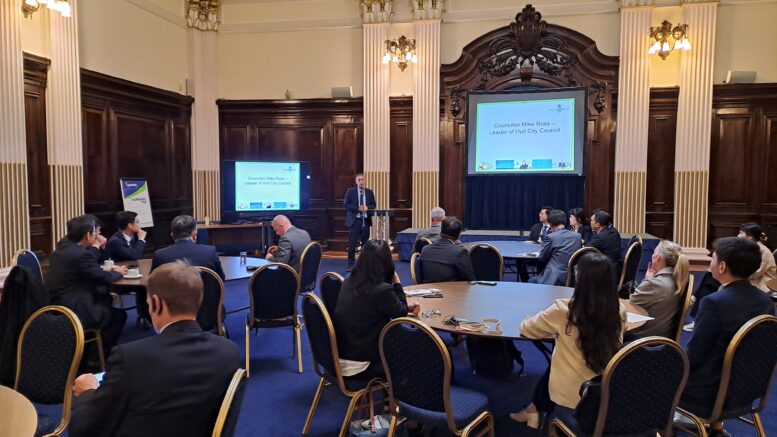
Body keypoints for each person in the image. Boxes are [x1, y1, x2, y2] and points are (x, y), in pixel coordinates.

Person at [68, 261, 241, 437]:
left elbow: (84, 429)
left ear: (156, 304)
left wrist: (88, 393)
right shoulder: (229, 352)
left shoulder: (131, 358)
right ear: (199, 301)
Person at [512, 252, 625, 428]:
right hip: (606, 389)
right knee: (559, 361)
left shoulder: (564, 309)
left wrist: (528, 317)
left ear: (580, 278)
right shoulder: (619, 311)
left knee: (560, 361)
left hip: (570, 395)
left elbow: (528, 329)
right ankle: (533, 409)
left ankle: (535, 411)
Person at [679, 237, 775, 434]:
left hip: (709, 394)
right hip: (748, 389)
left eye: (712, 259)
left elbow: (695, 355)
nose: (710, 264)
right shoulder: (765, 301)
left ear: (722, 266)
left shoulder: (714, 302)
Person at [333, 240, 420, 379]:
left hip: (339, 355)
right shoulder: (381, 289)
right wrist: (396, 280)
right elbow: (401, 313)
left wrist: (398, 305)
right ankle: (394, 396)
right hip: (362, 363)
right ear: (386, 261)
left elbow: (374, 306)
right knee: (414, 351)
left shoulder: (349, 280)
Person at [47, 215, 128, 357]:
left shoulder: (62, 248)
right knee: (118, 316)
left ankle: (89, 351)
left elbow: (87, 270)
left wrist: (100, 265)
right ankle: (98, 357)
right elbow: (101, 277)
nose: (98, 236)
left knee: (106, 298)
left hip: (55, 304)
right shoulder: (80, 254)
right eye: (96, 232)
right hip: (75, 308)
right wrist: (119, 273)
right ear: (87, 235)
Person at [626, 240, 689, 340]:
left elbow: (629, 306)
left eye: (654, 253)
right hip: (663, 338)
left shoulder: (654, 284)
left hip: (641, 341)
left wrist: (646, 281)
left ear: (658, 257)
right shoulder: (679, 280)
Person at [106, 211, 150, 325]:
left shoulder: (130, 237)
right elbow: (134, 255)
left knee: (145, 286)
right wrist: (141, 239)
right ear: (130, 225)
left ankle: (144, 316)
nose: (139, 224)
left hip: (129, 274)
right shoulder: (115, 241)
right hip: (118, 280)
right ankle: (144, 316)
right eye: (137, 222)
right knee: (143, 287)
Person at [151, 215, 224, 280]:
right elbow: (221, 278)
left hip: (171, 295)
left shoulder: (160, 255)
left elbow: (152, 282)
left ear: (172, 236)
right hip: (206, 295)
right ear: (194, 235)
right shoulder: (210, 251)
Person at [529, 210, 582, 286]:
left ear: (551, 224)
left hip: (554, 278)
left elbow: (542, 258)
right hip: (572, 278)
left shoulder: (551, 237)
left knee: (531, 280)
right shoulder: (577, 236)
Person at [420, 217, 476, 283]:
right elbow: (470, 278)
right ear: (459, 235)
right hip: (451, 291)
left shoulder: (425, 249)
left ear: (441, 231)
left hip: (427, 290)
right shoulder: (460, 252)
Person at [343, 173, 376, 270]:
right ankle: (351, 265)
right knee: (352, 245)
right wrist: (358, 208)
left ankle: (364, 264)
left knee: (365, 245)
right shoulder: (350, 191)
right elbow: (346, 204)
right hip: (355, 221)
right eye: (359, 180)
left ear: (365, 181)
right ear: (356, 182)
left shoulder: (369, 192)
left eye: (362, 180)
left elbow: (373, 205)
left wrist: (367, 207)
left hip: (365, 220)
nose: (361, 181)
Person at [738, 223, 777, 292]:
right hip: (751, 280)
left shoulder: (763, 251)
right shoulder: (748, 247)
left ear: (750, 236)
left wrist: (735, 276)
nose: (738, 235)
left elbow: (756, 272)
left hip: (764, 285)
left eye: (741, 233)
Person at [586, 210, 623, 275]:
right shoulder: (613, 231)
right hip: (617, 268)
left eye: (592, 221)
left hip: (606, 272)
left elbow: (585, 250)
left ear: (597, 224)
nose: (590, 223)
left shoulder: (600, 237)